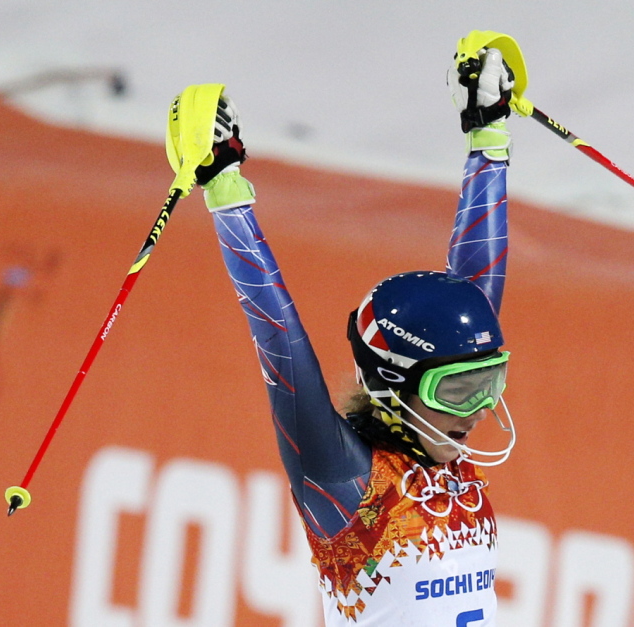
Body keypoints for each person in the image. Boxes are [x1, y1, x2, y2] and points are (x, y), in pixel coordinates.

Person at [186, 46, 517, 626]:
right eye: (460, 391)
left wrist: (488, 138)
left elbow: (473, 302)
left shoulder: (446, 456)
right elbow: (280, 341)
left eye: (489, 383)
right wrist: (225, 191)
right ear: (394, 384)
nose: (482, 408)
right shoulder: (347, 486)